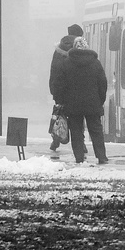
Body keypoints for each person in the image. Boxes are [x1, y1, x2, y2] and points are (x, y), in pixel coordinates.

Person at [51, 35, 109, 165]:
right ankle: (101, 156)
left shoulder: (66, 63)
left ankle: (79, 157)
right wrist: (100, 101)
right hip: (93, 104)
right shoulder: (95, 63)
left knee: (76, 131)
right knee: (96, 131)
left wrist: (61, 101)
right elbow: (102, 84)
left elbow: (59, 85)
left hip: (73, 105)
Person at [47, 23, 81, 154]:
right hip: (75, 90)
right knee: (76, 118)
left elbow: (53, 71)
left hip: (59, 89)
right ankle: (80, 144)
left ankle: (56, 141)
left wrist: (54, 90)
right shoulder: (78, 50)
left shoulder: (58, 50)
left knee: (59, 116)